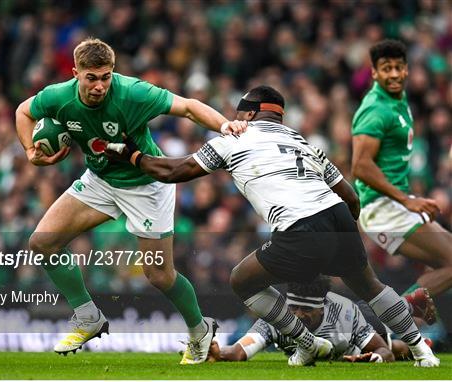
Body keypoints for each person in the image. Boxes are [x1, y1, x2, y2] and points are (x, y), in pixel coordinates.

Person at [106, 85, 439, 367]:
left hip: (300, 226)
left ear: (248, 114)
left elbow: (172, 172)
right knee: (371, 286)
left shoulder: (236, 137)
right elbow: (352, 198)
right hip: (338, 217)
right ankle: (422, 352)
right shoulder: (304, 142)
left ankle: (307, 343)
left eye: (239, 115)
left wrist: (133, 156)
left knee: (242, 280)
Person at [15, 37, 245, 364]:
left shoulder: (133, 93)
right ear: (75, 72)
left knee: (159, 276)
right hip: (101, 180)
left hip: (146, 185)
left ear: (113, 72)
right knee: (41, 243)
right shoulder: (58, 97)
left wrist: (224, 124)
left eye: (105, 77)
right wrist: (29, 151)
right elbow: (23, 111)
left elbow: (189, 107)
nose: (99, 86)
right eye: (91, 77)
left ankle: (200, 330)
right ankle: (87, 317)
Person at [351, 39, 452, 319]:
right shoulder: (376, 109)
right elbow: (360, 166)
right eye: (386, 68)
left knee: (444, 264)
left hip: (393, 205)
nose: (393, 74)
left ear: (406, 70)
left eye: (398, 67)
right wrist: (407, 200)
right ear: (374, 73)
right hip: (383, 208)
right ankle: (377, 323)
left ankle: (398, 335)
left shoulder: (399, 100)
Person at [207, 277, 427, 364]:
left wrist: (371, 360)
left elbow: (383, 353)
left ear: (321, 306)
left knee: (391, 346)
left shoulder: (344, 315)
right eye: (295, 308)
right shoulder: (277, 317)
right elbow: (238, 351)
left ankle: (409, 309)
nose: (299, 315)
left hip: (359, 319)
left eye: (307, 309)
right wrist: (219, 352)